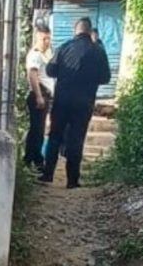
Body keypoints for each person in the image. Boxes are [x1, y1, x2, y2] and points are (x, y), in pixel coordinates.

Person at [39, 17, 110, 188]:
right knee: (77, 139)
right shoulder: (98, 51)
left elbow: (50, 70)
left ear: (75, 30)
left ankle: (48, 174)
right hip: (84, 102)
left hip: (62, 100)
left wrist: (65, 74)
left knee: (55, 136)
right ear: (89, 31)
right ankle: (72, 180)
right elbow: (106, 78)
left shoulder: (64, 47)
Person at [23, 25, 53, 170]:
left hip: (45, 94)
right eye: (44, 38)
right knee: (37, 130)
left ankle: (32, 158)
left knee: (37, 129)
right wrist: (39, 96)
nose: (46, 41)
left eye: (48, 38)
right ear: (37, 37)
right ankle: (34, 159)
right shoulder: (35, 54)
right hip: (39, 94)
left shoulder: (46, 54)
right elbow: (32, 75)